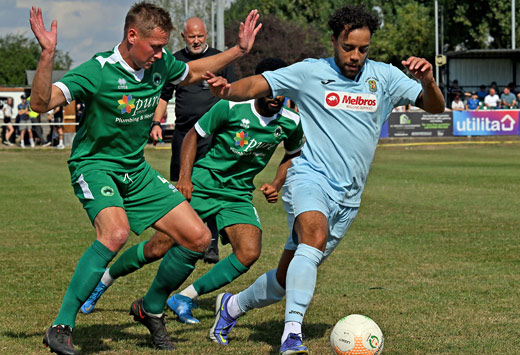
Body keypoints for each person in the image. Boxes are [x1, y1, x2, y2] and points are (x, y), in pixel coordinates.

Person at [202, 4, 445, 354]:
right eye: (348, 47)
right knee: (312, 238)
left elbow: (434, 107)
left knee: (287, 278)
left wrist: (428, 80)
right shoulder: (310, 72)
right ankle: (291, 336)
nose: (356, 56)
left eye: (363, 49)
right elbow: (259, 83)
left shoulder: (386, 77)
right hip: (309, 177)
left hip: (349, 198)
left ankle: (232, 306)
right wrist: (226, 90)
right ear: (333, 40)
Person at [29, 3, 260, 354]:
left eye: (163, 47)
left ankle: (149, 307)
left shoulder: (160, 64)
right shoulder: (98, 71)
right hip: (95, 166)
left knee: (197, 237)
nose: (160, 54)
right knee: (116, 232)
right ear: (131, 35)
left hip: (135, 171)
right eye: (154, 46)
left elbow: (194, 71)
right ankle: (61, 325)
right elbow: (42, 103)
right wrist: (47, 55)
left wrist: (238, 50)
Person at [81, 57, 303, 329]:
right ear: (258, 86)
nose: (276, 96)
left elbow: (292, 153)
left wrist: (277, 183)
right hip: (204, 184)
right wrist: (185, 178)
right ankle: (104, 280)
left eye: (282, 89)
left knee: (248, 252)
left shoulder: (291, 122)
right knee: (157, 247)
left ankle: (184, 297)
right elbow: (193, 135)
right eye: (270, 88)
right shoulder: (231, 107)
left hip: (238, 193)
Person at [153, 16, 237, 264]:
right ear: (183, 36)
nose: (197, 40)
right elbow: (163, 96)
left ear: (206, 35)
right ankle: (182, 241)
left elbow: (232, 93)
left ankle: (211, 244)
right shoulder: (175, 61)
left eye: (200, 36)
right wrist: (156, 124)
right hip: (182, 134)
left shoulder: (221, 59)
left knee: (209, 187)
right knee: (182, 188)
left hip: (213, 135)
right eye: (192, 37)